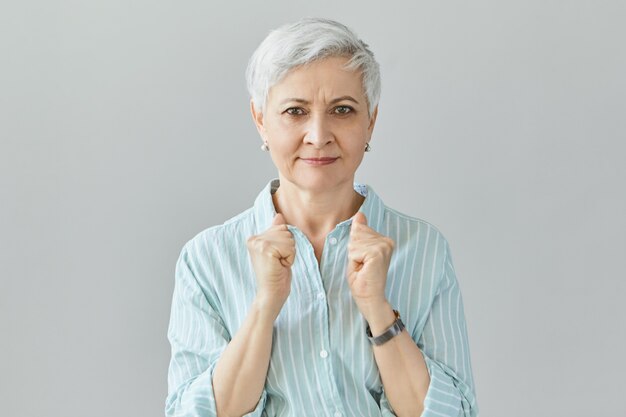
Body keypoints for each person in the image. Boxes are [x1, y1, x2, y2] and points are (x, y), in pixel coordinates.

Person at [165, 17, 479, 417]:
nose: (318, 134)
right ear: (260, 119)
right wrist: (264, 307)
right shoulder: (206, 259)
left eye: (342, 110)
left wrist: (378, 310)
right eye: (295, 111)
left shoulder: (424, 249)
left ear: (371, 121)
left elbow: (456, 413)